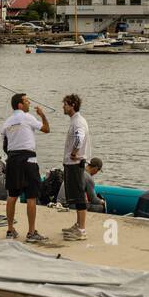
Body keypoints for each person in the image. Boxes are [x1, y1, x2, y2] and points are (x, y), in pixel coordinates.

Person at [1, 92, 49, 242]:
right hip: (28, 159)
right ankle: (31, 232)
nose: (30, 103)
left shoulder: (7, 123)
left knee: (12, 195)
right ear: (20, 105)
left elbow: (5, 145)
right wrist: (43, 115)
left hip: (13, 160)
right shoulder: (27, 117)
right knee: (31, 196)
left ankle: (10, 229)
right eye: (27, 101)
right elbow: (46, 129)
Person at [60, 94, 92, 241]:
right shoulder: (76, 120)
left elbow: (80, 138)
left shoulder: (78, 122)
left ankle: (82, 229)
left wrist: (74, 152)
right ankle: (78, 224)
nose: (63, 107)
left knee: (79, 197)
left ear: (72, 105)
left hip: (75, 164)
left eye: (65, 104)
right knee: (76, 196)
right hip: (72, 164)